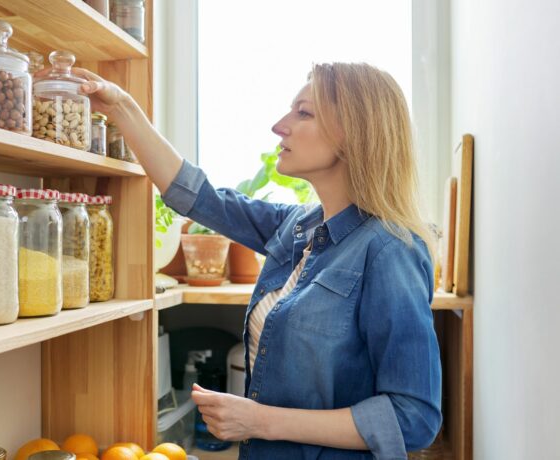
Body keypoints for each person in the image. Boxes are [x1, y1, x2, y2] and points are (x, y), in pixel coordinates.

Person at [71, 62, 441, 459]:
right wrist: (123, 107)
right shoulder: (297, 226)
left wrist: (258, 420)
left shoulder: (390, 250)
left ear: (353, 134)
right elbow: (199, 197)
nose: (280, 125)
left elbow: (412, 416)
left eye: (303, 112)